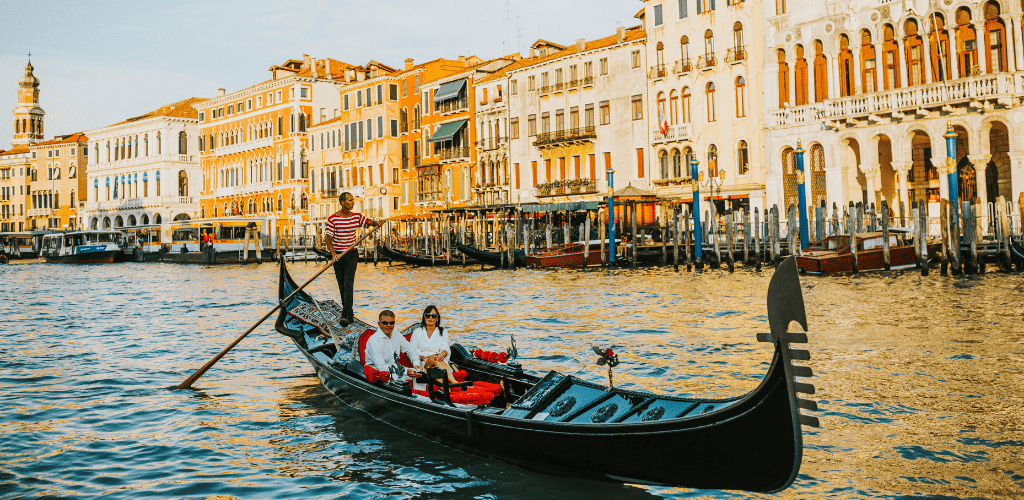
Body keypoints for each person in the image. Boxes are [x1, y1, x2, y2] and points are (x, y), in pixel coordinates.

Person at [325, 192, 381, 323]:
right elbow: (329, 240)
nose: (353, 203)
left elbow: (369, 222)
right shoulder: (333, 219)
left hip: (351, 254)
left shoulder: (356, 217)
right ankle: (349, 314)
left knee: (348, 284)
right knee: (341, 285)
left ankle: (345, 315)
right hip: (338, 255)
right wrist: (333, 254)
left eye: (353, 200)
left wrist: (377, 223)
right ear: (343, 202)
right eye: (350, 201)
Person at [364, 310, 423, 380]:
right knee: (403, 380)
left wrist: (416, 364)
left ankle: (419, 390)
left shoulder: (396, 333)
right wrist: (406, 371)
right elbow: (381, 368)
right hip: (378, 373)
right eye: (385, 323)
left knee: (419, 375)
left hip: (395, 370)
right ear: (379, 324)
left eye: (391, 323)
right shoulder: (374, 341)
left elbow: (410, 348)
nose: (388, 326)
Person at [409, 305, 460, 384]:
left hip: (440, 361)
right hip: (424, 362)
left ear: (437, 318)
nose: (430, 318)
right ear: (424, 317)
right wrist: (421, 356)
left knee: (439, 377)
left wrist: (443, 354)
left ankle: (448, 393)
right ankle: (455, 382)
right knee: (434, 359)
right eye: (428, 315)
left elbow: (445, 346)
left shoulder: (442, 331)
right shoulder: (417, 332)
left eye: (433, 316)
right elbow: (412, 349)